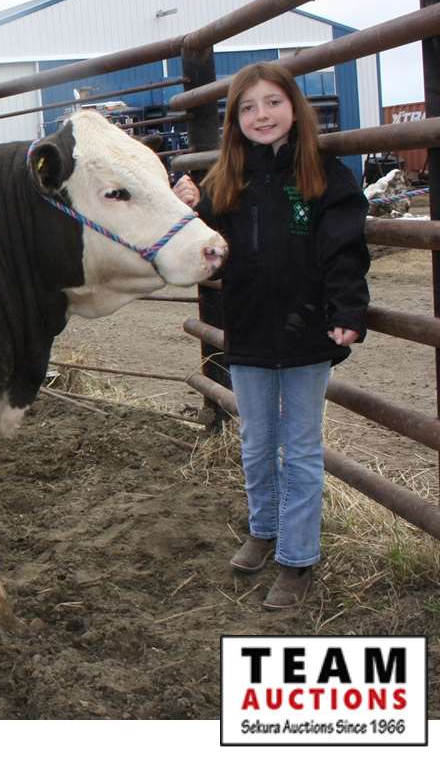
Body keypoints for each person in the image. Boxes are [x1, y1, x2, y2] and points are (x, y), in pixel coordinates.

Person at [172, 62, 370, 611]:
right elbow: (198, 241)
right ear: (235, 120)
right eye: (248, 107)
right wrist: (184, 205)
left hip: (308, 331)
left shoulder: (326, 177)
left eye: (273, 102)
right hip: (250, 330)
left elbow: (345, 251)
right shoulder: (224, 183)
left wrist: (347, 309)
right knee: (256, 442)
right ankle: (264, 529)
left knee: (301, 449)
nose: (262, 115)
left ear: (294, 107)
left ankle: (298, 557)